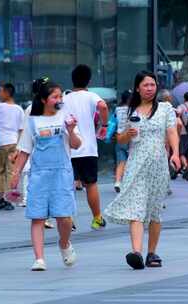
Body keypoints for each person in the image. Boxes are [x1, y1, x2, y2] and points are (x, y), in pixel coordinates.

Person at [104, 71, 180, 270]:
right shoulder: (127, 111)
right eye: (145, 85)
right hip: (136, 163)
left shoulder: (165, 108)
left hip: (158, 165)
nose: (149, 88)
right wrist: (127, 135)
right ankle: (136, 252)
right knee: (136, 208)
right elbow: (119, 139)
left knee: (154, 211)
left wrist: (176, 153)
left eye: (152, 85)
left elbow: (172, 131)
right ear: (137, 87)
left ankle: (152, 252)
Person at [10, 80, 80, 271]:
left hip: (62, 174)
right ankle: (39, 258)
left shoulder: (66, 117)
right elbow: (24, 151)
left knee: (64, 217)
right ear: (43, 99)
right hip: (39, 175)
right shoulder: (32, 121)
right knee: (37, 217)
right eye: (55, 97)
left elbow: (76, 144)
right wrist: (15, 175)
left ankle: (64, 244)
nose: (59, 100)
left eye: (60, 96)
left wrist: (72, 130)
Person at [62, 64, 109, 230]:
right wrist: (104, 124)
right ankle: (97, 218)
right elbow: (103, 106)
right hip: (88, 148)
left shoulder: (64, 98)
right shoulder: (91, 96)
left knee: (69, 186)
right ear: (88, 80)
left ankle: (69, 221)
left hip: (68, 148)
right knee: (91, 184)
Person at [0, 83, 24, 211]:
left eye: (0, 91)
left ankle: (1, 199)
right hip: (13, 142)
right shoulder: (19, 109)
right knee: (10, 171)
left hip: (0, 143)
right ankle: (9, 199)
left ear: (6, 93)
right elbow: (21, 129)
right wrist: (19, 146)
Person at [114, 90, 131, 193]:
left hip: (119, 137)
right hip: (129, 137)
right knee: (131, 162)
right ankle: (129, 183)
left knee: (121, 161)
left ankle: (117, 182)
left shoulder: (117, 109)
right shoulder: (133, 109)